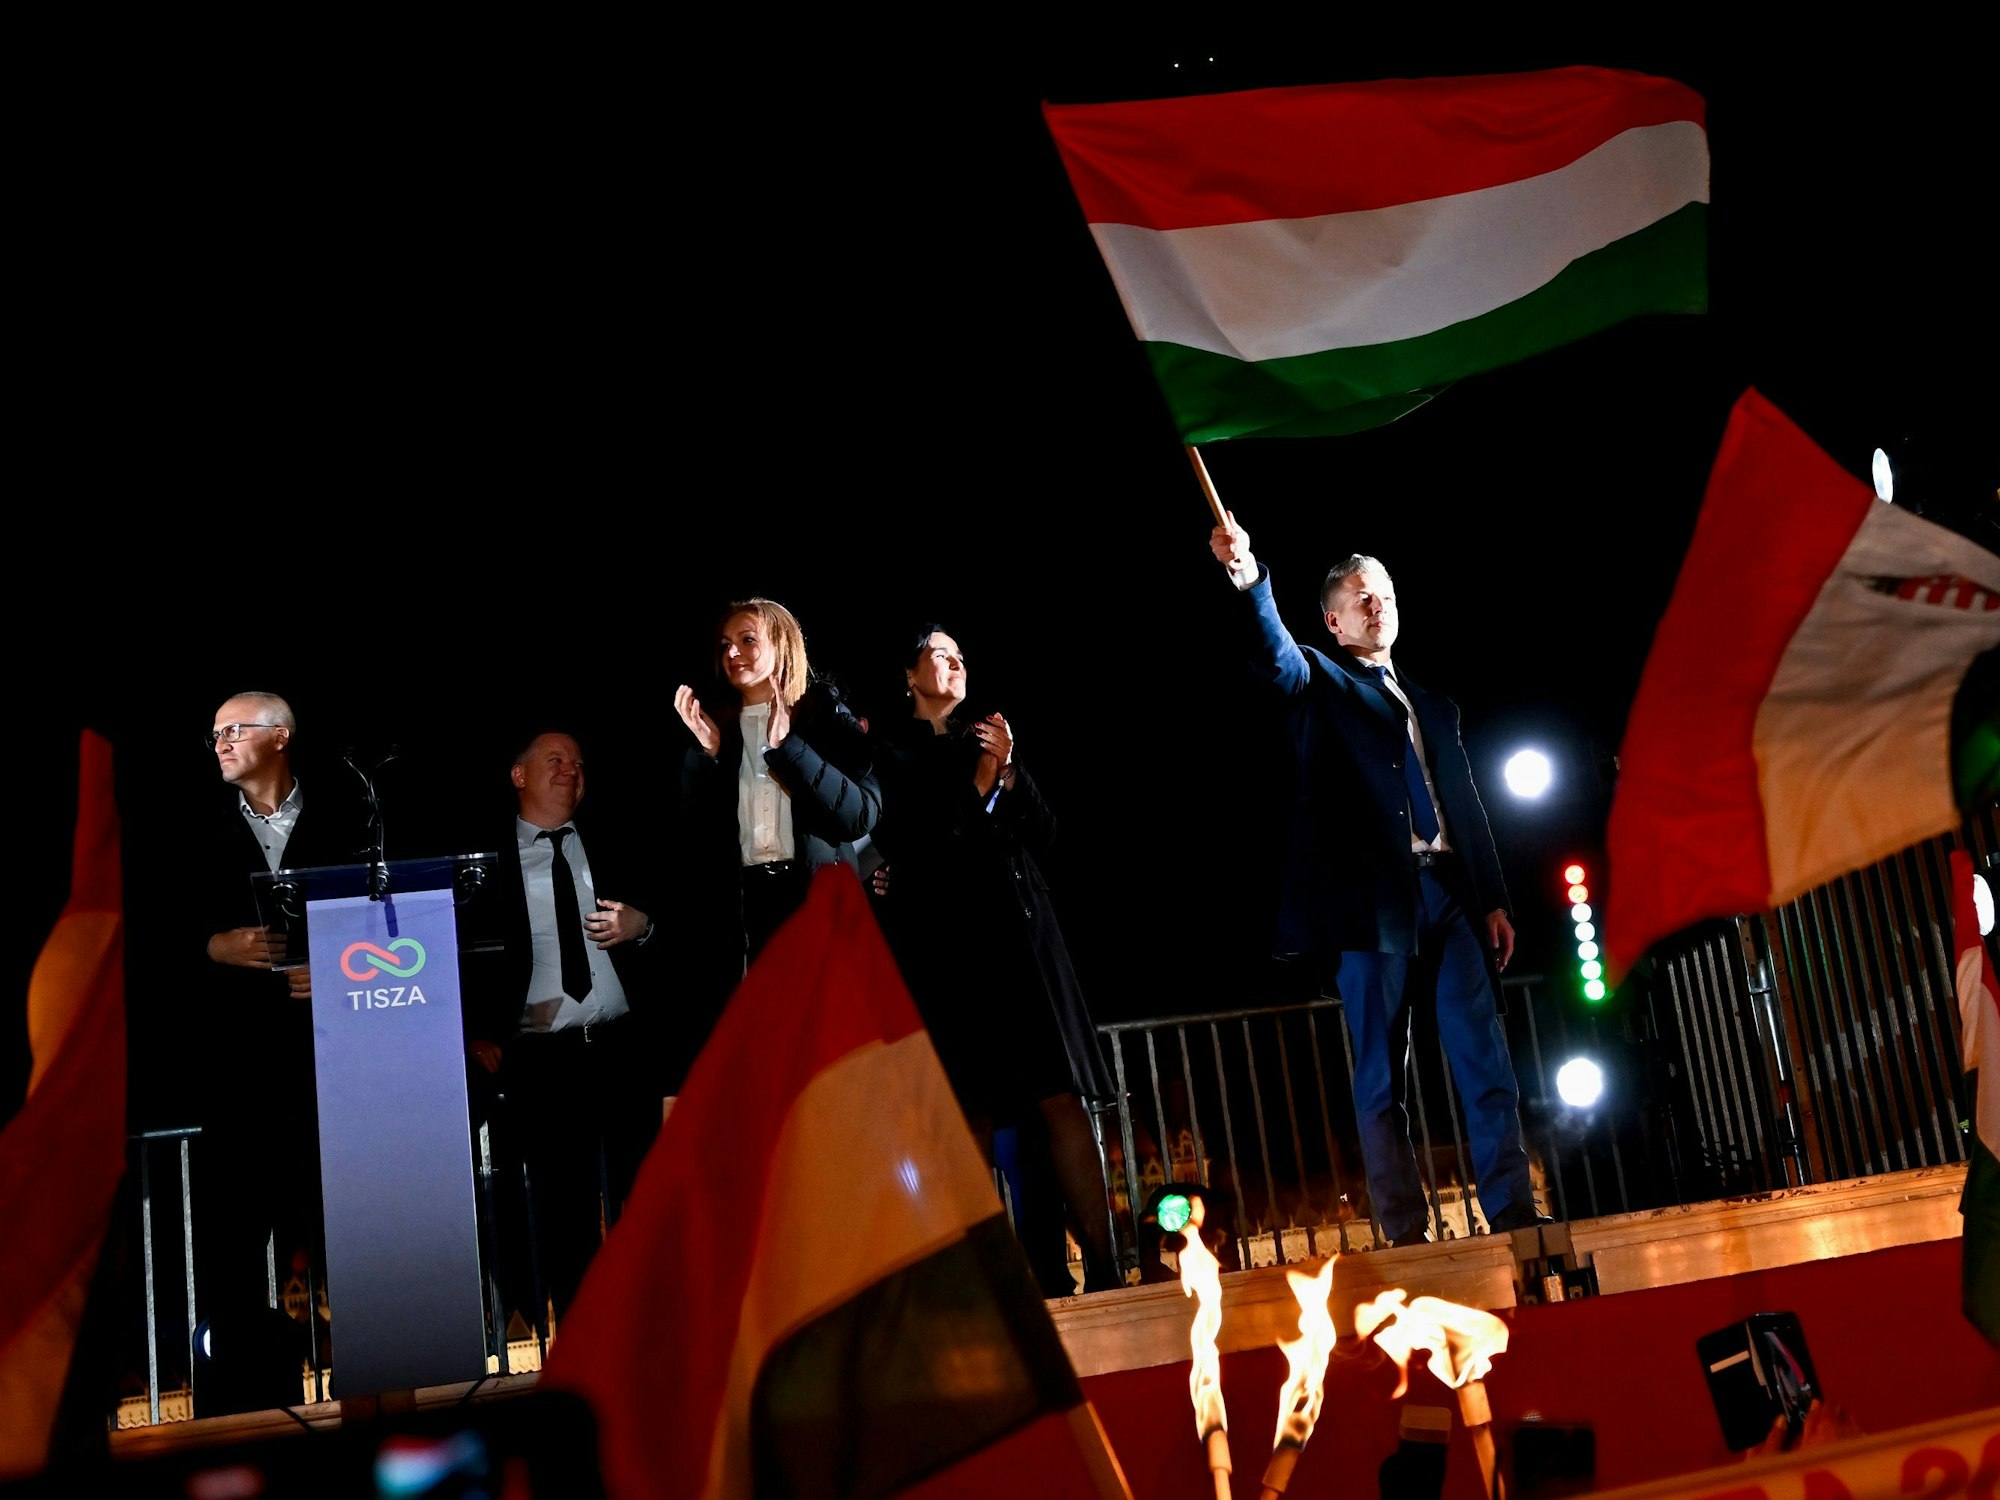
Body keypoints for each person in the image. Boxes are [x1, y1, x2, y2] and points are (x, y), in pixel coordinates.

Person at [1208, 518, 1551, 1247]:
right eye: (1361, 599)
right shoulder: (1321, 681)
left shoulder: (1434, 705)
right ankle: (1402, 1225)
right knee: (1379, 1074)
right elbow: (1276, 661)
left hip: (1450, 895)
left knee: (1482, 1056)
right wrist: (1247, 576)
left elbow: (1466, 802)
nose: (1378, 607)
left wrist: (1492, 897)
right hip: (1371, 905)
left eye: (1386, 595)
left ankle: (1514, 1210)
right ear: (1333, 621)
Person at [868, 624, 1122, 1295]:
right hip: (951, 953)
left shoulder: (992, 740)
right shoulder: (893, 755)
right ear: (909, 675)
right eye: (938, 652)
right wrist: (979, 790)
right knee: (969, 1112)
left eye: (960, 654)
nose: (955, 661)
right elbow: (922, 847)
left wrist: (1007, 771)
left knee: (1059, 1096)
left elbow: (1047, 835)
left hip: (1024, 943)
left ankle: (1104, 1266)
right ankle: (991, 1290)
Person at [191, 691, 369, 1413]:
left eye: (234, 730)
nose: (222, 743)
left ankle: (374, 1404)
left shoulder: (353, 819)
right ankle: (242, 1421)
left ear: (282, 737)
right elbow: (139, 940)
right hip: (238, 1087)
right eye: (215, 735)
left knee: (353, 1251)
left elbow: (387, 925)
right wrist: (211, 945)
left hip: (336, 1084)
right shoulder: (193, 831)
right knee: (233, 1260)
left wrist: (334, 965)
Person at [462, 729, 664, 1330]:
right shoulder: (486, 864)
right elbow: (462, 956)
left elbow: (681, 913)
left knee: (649, 1200)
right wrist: (477, 1032)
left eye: (578, 762)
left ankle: (660, 1331)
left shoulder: (619, 841)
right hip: (543, 1061)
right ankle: (587, 1346)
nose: (571, 770)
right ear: (518, 776)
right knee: (564, 1213)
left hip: (622, 1047)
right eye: (554, 760)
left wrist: (643, 925)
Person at [671, 597, 880, 1045]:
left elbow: (859, 815)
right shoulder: (717, 730)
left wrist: (790, 749)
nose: (732, 653)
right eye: (726, 644)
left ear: (782, 645)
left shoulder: (822, 713)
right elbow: (697, 845)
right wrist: (706, 756)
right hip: (751, 917)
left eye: (748, 640)